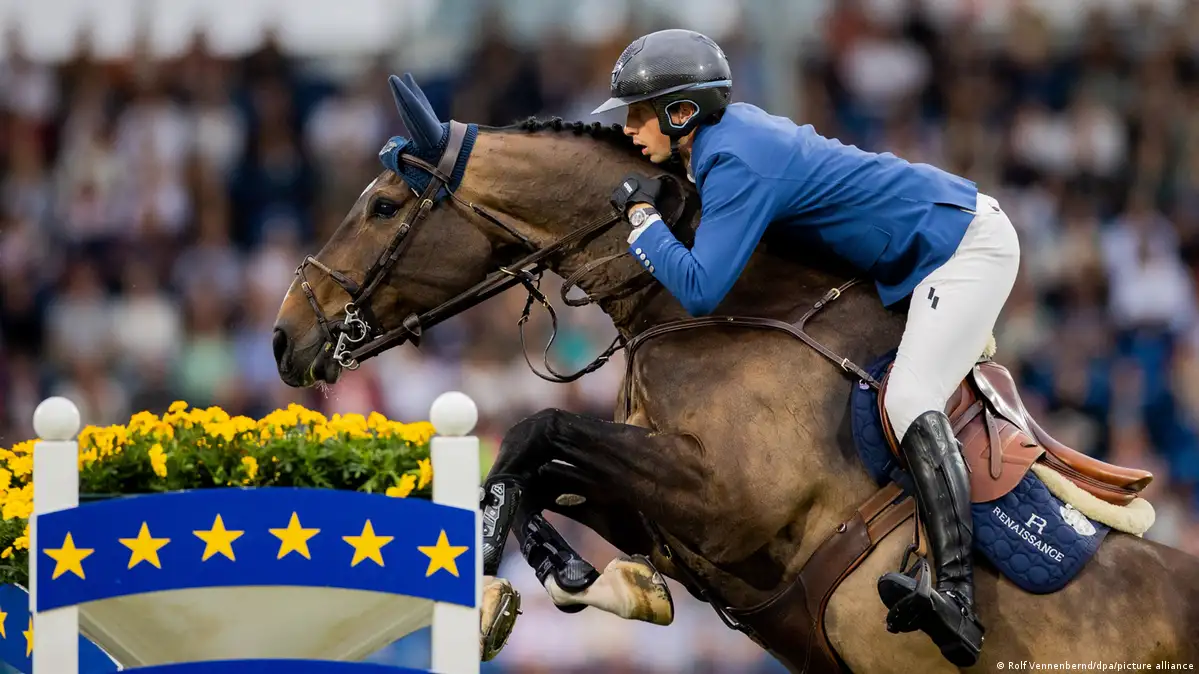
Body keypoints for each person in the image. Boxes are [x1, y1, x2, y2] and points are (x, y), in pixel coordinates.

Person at [593, 28, 1019, 666]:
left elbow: (701, 291)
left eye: (639, 112)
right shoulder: (719, 142)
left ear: (681, 112)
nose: (628, 127)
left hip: (959, 252)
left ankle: (956, 593)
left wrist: (642, 222)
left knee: (908, 398)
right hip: (925, 249)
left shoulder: (734, 157)